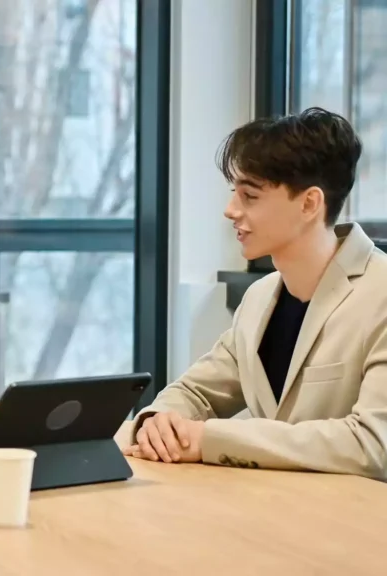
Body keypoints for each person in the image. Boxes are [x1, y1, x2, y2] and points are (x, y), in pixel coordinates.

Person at [124, 107, 387, 480]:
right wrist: (156, 422)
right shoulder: (260, 297)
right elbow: (197, 393)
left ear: (309, 203)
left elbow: (372, 445)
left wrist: (211, 440)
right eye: (235, 193)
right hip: (271, 514)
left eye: (249, 196)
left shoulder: (380, 294)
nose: (230, 210)